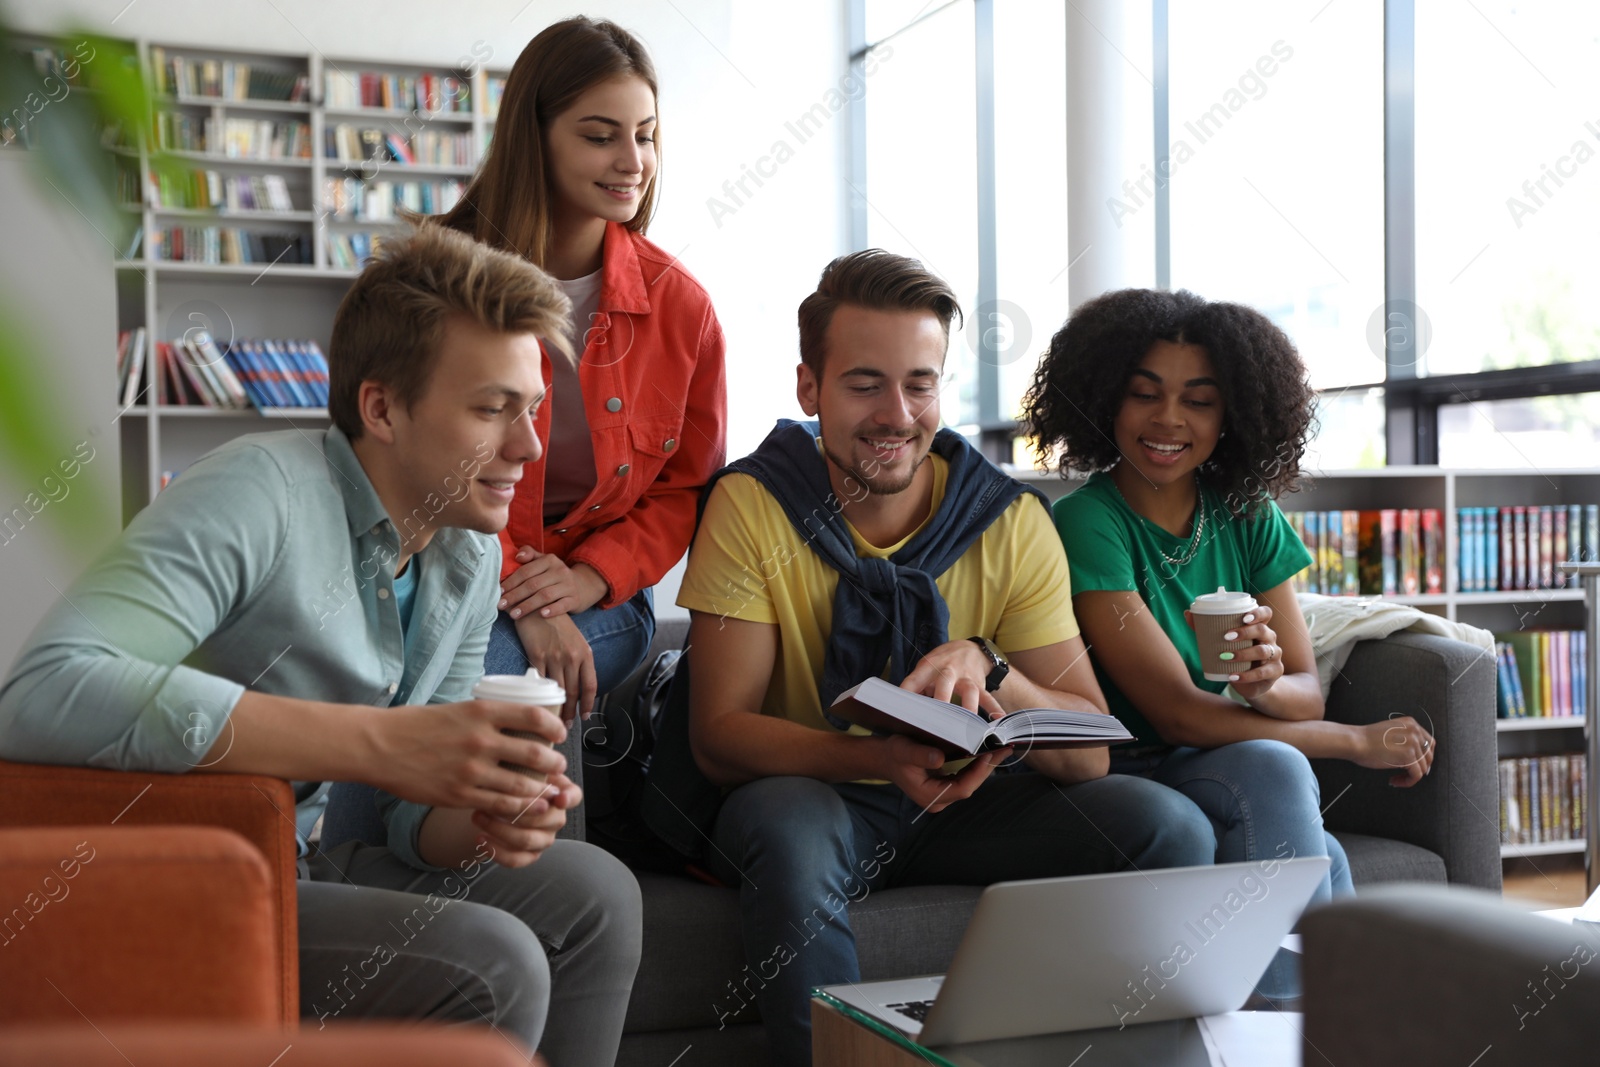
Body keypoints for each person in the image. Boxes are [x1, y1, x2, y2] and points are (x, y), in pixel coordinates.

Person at [0, 223, 642, 1066]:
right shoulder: (258, 491)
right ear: (381, 407)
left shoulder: (468, 554)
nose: (526, 445)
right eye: (492, 409)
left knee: (598, 892)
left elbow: (420, 829)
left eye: (530, 408)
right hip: (169, 877)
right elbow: (42, 691)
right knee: (495, 961)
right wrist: (382, 744)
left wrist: (485, 811)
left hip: (296, 859)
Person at [669, 251, 1215, 1064]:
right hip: (819, 798)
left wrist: (992, 663)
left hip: (973, 804)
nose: (897, 413)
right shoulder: (754, 503)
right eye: (864, 383)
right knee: (788, 824)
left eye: (919, 383)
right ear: (808, 389)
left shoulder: (1008, 519)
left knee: (1166, 823)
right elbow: (719, 735)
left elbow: (1090, 751)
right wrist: (880, 756)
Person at [1023, 287, 1437, 915]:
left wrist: (1262, 686)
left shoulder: (1246, 512)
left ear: (1232, 416)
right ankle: (1304, 1006)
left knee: (1322, 848)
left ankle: (1321, 1007)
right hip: (1132, 769)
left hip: (1218, 760)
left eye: (1200, 401)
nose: (1168, 419)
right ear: (1107, 399)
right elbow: (1177, 718)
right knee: (1276, 772)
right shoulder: (1088, 522)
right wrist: (1356, 742)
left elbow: (1305, 690)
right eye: (1143, 394)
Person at [439, 16, 726, 721]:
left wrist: (587, 579)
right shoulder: (439, 282)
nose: (632, 160)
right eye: (600, 136)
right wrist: (523, 594)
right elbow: (413, 460)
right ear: (533, 136)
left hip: (604, 593)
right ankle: (366, 839)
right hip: (446, 571)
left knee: (482, 679)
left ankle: (371, 840)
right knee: (429, 667)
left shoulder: (682, 308)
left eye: (646, 134)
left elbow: (687, 489)